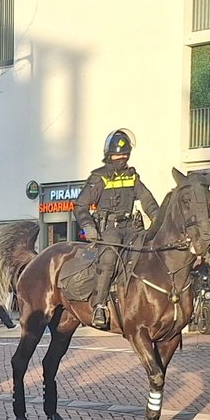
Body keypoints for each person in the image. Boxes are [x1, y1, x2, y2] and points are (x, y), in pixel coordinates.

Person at [73, 129, 160, 330]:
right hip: (109, 230)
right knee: (109, 258)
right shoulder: (99, 177)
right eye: (117, 156)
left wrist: (157, 217)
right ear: (108, 155)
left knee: (150, 253)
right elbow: (80, 206)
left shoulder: (132, 176)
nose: (121, 159)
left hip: (132, 228)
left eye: (125, 156)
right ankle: (99, 306)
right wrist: (88, 226)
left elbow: (148, 201)